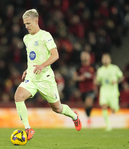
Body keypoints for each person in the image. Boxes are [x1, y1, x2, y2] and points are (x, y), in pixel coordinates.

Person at [14, 9, 82, 140]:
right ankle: (28, 129)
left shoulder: (46, 36)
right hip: (32, 77)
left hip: (45, 78)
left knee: (57, 108)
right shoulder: (26, 38)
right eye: (24, 24)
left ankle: (74, 116)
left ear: (36, 21)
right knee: (18, 96)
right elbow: (32, 58)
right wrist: (29, 69)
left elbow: (55, 55)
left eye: (28, 23)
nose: (26, 27)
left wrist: (42, 65)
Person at [94, 53, 124, 131]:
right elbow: (97, 81)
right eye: (103, 58)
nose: (105, 60)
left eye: (106, 58)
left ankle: (115, 108)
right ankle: (108, 125)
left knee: (114, 109)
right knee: (104, 106)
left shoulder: (115, 68)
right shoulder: (100, 70)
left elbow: (122, 77)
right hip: (104, 91)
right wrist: (97, 81)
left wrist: (116, 81)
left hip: (113, 91)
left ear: (110, 60)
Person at [73, 51, 96, 128]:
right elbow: (74, 77)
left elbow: (97, 77)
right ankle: (88, 118)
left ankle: (88, 118)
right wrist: (80, 78)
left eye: (86, 55)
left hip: (91, 89)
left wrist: (95, 85)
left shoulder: (93, 66)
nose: (85, 57)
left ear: (89, 57)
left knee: (88, 103)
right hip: (82, 90)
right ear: (81, 57)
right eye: (83, 56)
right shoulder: (79, 67)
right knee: (86, 105)